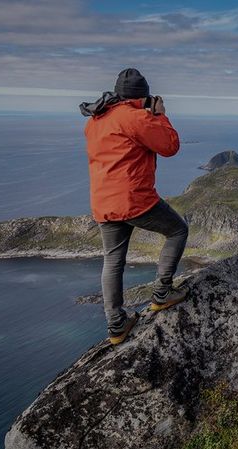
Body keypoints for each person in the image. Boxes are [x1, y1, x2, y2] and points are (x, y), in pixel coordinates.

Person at [80, 68, 189, 345]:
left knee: (113, 260)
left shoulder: (96, 120)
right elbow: (170, 146)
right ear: (142, 96)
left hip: (104, 202)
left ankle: (116, 324)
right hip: (133, 200)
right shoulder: (136, 118)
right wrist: (159, 115)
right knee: (177, 230)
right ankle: (163, 293)